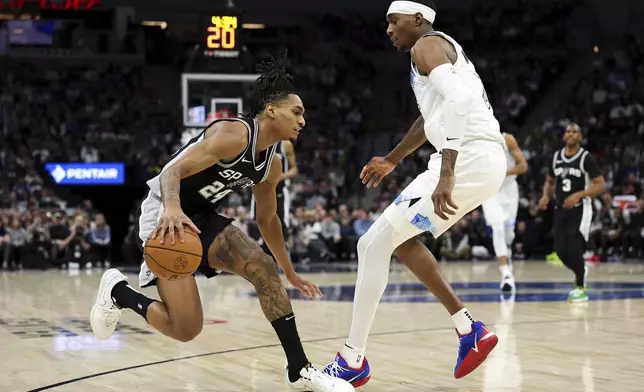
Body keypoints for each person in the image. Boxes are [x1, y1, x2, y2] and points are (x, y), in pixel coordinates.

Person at [89, 57, 354, 392]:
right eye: (297, 111)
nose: (303, 120)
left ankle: (298, 369)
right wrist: (171, 208)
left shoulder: (270, 164)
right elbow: (171, 171)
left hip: (202, 218)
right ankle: (119, 293)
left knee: (262, 267)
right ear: (271, 110)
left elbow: (267, 219)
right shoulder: (233, 134)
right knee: (186, 329)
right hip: (165, 211)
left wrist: (289, 271)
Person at [324, 0, 505, 385]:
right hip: (469, 156)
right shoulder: (432, 55)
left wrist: (448, 175)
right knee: (400, 242)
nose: (388, 29)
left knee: (371, 245)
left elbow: (458, 101)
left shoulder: (427, 44)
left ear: (417, 20)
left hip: (467, 157)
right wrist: (392, 158)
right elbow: (431, 118)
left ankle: (352, 361)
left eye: (394, 21)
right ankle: (468, 329)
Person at [539, 123, 605, 303]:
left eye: (575, 131)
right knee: (560, 251)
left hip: (581, 208)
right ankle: (580, 272)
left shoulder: (586, 158)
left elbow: (600, 184)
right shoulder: (556, 157)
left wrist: (579, 195)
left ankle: (580, 287)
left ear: (580, 137)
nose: (570, 134)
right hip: (560, 208)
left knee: (574, 248)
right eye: (568, 131)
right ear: (563, 136)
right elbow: (550, 180)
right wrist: (545, 195)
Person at [481, 133, 528, 291]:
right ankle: (506, 273)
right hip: (490, 191)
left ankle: (507, 253)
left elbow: (523, 166)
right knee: (498, 228)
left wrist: (503, 173)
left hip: (509, 191)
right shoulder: (476, 142)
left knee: (508, 233)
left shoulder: (507, 139)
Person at [250, 138, 297, 255]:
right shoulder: (258, 144)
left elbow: (294, 169)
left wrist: (280, 176)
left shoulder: (285, 144)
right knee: (256, 225)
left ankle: (282, 260)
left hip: (279, 193)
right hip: (260, 192)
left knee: (282, 227)